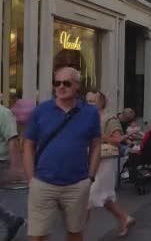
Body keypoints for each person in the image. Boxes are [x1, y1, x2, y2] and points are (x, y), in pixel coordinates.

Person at [24, 67, 102, 241]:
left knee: (75, 232)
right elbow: (28, 145)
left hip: (77, 183)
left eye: (66, 83)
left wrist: (90, 177)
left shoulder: (90, 113)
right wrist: (31, 179)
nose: (60, 87)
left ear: (77, 86)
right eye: (56, 83)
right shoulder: (41, 111)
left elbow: (96, 145)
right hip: (43, 182)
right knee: (37, 235)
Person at [85, 91, 135, 237]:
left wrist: (101, 136)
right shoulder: (88, 118)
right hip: (92, 159)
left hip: (105, 161)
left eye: (93, 101)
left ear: (101, 102)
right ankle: (125, 218)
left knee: (87, 197)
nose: (89, 104)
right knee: (105, 197)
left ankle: (77, 234)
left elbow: (118, 140)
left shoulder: (109, 119)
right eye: (87, 101)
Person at [0, 104, 25, 240]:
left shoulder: (4, 113)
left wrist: (16, 167)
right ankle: (11, 220)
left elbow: (12, 140)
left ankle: (10, 220)